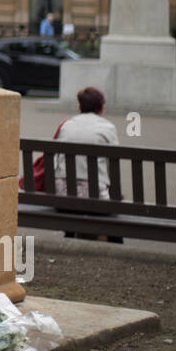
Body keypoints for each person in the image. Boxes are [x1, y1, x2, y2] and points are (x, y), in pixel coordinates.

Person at [54, 86, 122, 243]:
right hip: (95, 200)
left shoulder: (66, 126)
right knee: (109, 202)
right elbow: (113, 167)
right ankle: (116, 243)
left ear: (79, 106)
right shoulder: (108, 128)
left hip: (64, 198)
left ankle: (70, 236)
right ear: (102, 108)